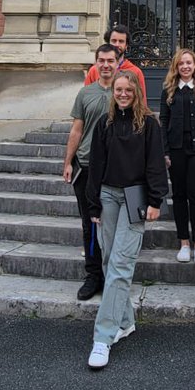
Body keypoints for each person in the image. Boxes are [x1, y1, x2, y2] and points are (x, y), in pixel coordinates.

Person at [85, 71, 168, 369]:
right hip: (107, 196)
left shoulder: (148, 124)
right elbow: (95, 165)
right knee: (109, 261)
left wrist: (156, 200)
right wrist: (92, 205)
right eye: (118, 90)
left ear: (137, 92)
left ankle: (103, 338)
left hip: (135, 198)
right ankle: (126, 321)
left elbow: (155, 163)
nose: (122, 94)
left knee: (121, 264)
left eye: (127, 90)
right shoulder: (104, 124)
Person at [63, 44, 119, 301]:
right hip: (85, 167)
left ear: (118, 62)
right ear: (96, 63)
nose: (106, 65)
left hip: (115, 170)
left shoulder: (125, 91)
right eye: (101, 60)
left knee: (113, 226)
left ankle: (112, 274)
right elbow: (76, 130)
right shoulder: (85, 93)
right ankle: (93, 274)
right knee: (90, 225)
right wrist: (67, 162)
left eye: (110, 60)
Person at [159, 48, 195, 264]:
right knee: (179, 196)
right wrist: (164, 151)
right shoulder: (169, 90)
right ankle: (184, 242)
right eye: (181, 63)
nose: (185, 66)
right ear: (176, 67)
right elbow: (163, 122)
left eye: (189, 63)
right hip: (175, 150)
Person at [84, 25, 147, 102]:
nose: (117, 44)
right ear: (108, 43)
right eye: (114, 41)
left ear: (126, 46)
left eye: (121, 41)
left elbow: (142, 101)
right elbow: (86, 99)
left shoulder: (136, 72)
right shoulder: (94, 70)